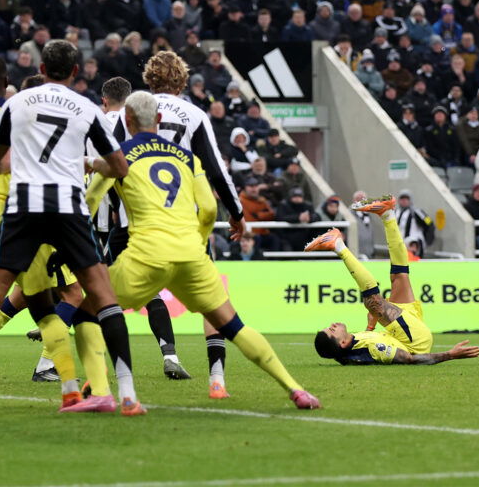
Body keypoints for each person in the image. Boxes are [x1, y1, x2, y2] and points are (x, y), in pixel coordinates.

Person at [0, 41, 144, 418]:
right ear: (75, 71)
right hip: (69, 206)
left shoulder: (15, 103)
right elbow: (120, 166)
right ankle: (128, 395)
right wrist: (87, 163)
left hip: (24, 208)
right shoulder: (86, 107)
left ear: (41, 66)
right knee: (102, 295)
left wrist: (18, 163)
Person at [86, 91, 320, 409]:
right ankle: (295, 389)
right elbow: (209, 208)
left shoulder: (119, 156)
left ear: (126, 120)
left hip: (146, 253)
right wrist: (198, 241)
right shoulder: (187, 157)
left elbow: (89, 201)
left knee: (89, 312)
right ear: (158, 119)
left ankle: (118, 393)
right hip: (192, 253)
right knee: (234, 325)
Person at [142, 51, 247, 397]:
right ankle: (217, 377)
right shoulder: (193, 113)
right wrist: (236, 213)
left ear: (149, 78)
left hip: (141, 218)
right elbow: (216, 170)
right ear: (183, 80)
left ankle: (99, 381)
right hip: (185, 220)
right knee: (213, 300)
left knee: (105, 296)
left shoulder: (133, 107)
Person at [89, 76, 190, 381]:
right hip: (153, 223)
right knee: (151, 293)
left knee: (88, 294)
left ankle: (56, 363)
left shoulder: (99, 123)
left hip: (105, 218)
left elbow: (102, 177)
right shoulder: (178, 141)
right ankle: (172, 354)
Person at [306, 195, 479, 365]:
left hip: (404, 333)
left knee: (399, 275)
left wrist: (370, 327)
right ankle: (338, 246)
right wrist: (450, 355)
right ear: (342, 343)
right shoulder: (373, 351)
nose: (333, 325)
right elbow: (408, 358)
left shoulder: (353, 347)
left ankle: (387, 214)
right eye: (332, 330)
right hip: (414, 340)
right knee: (373, 303)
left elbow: (366, 345)